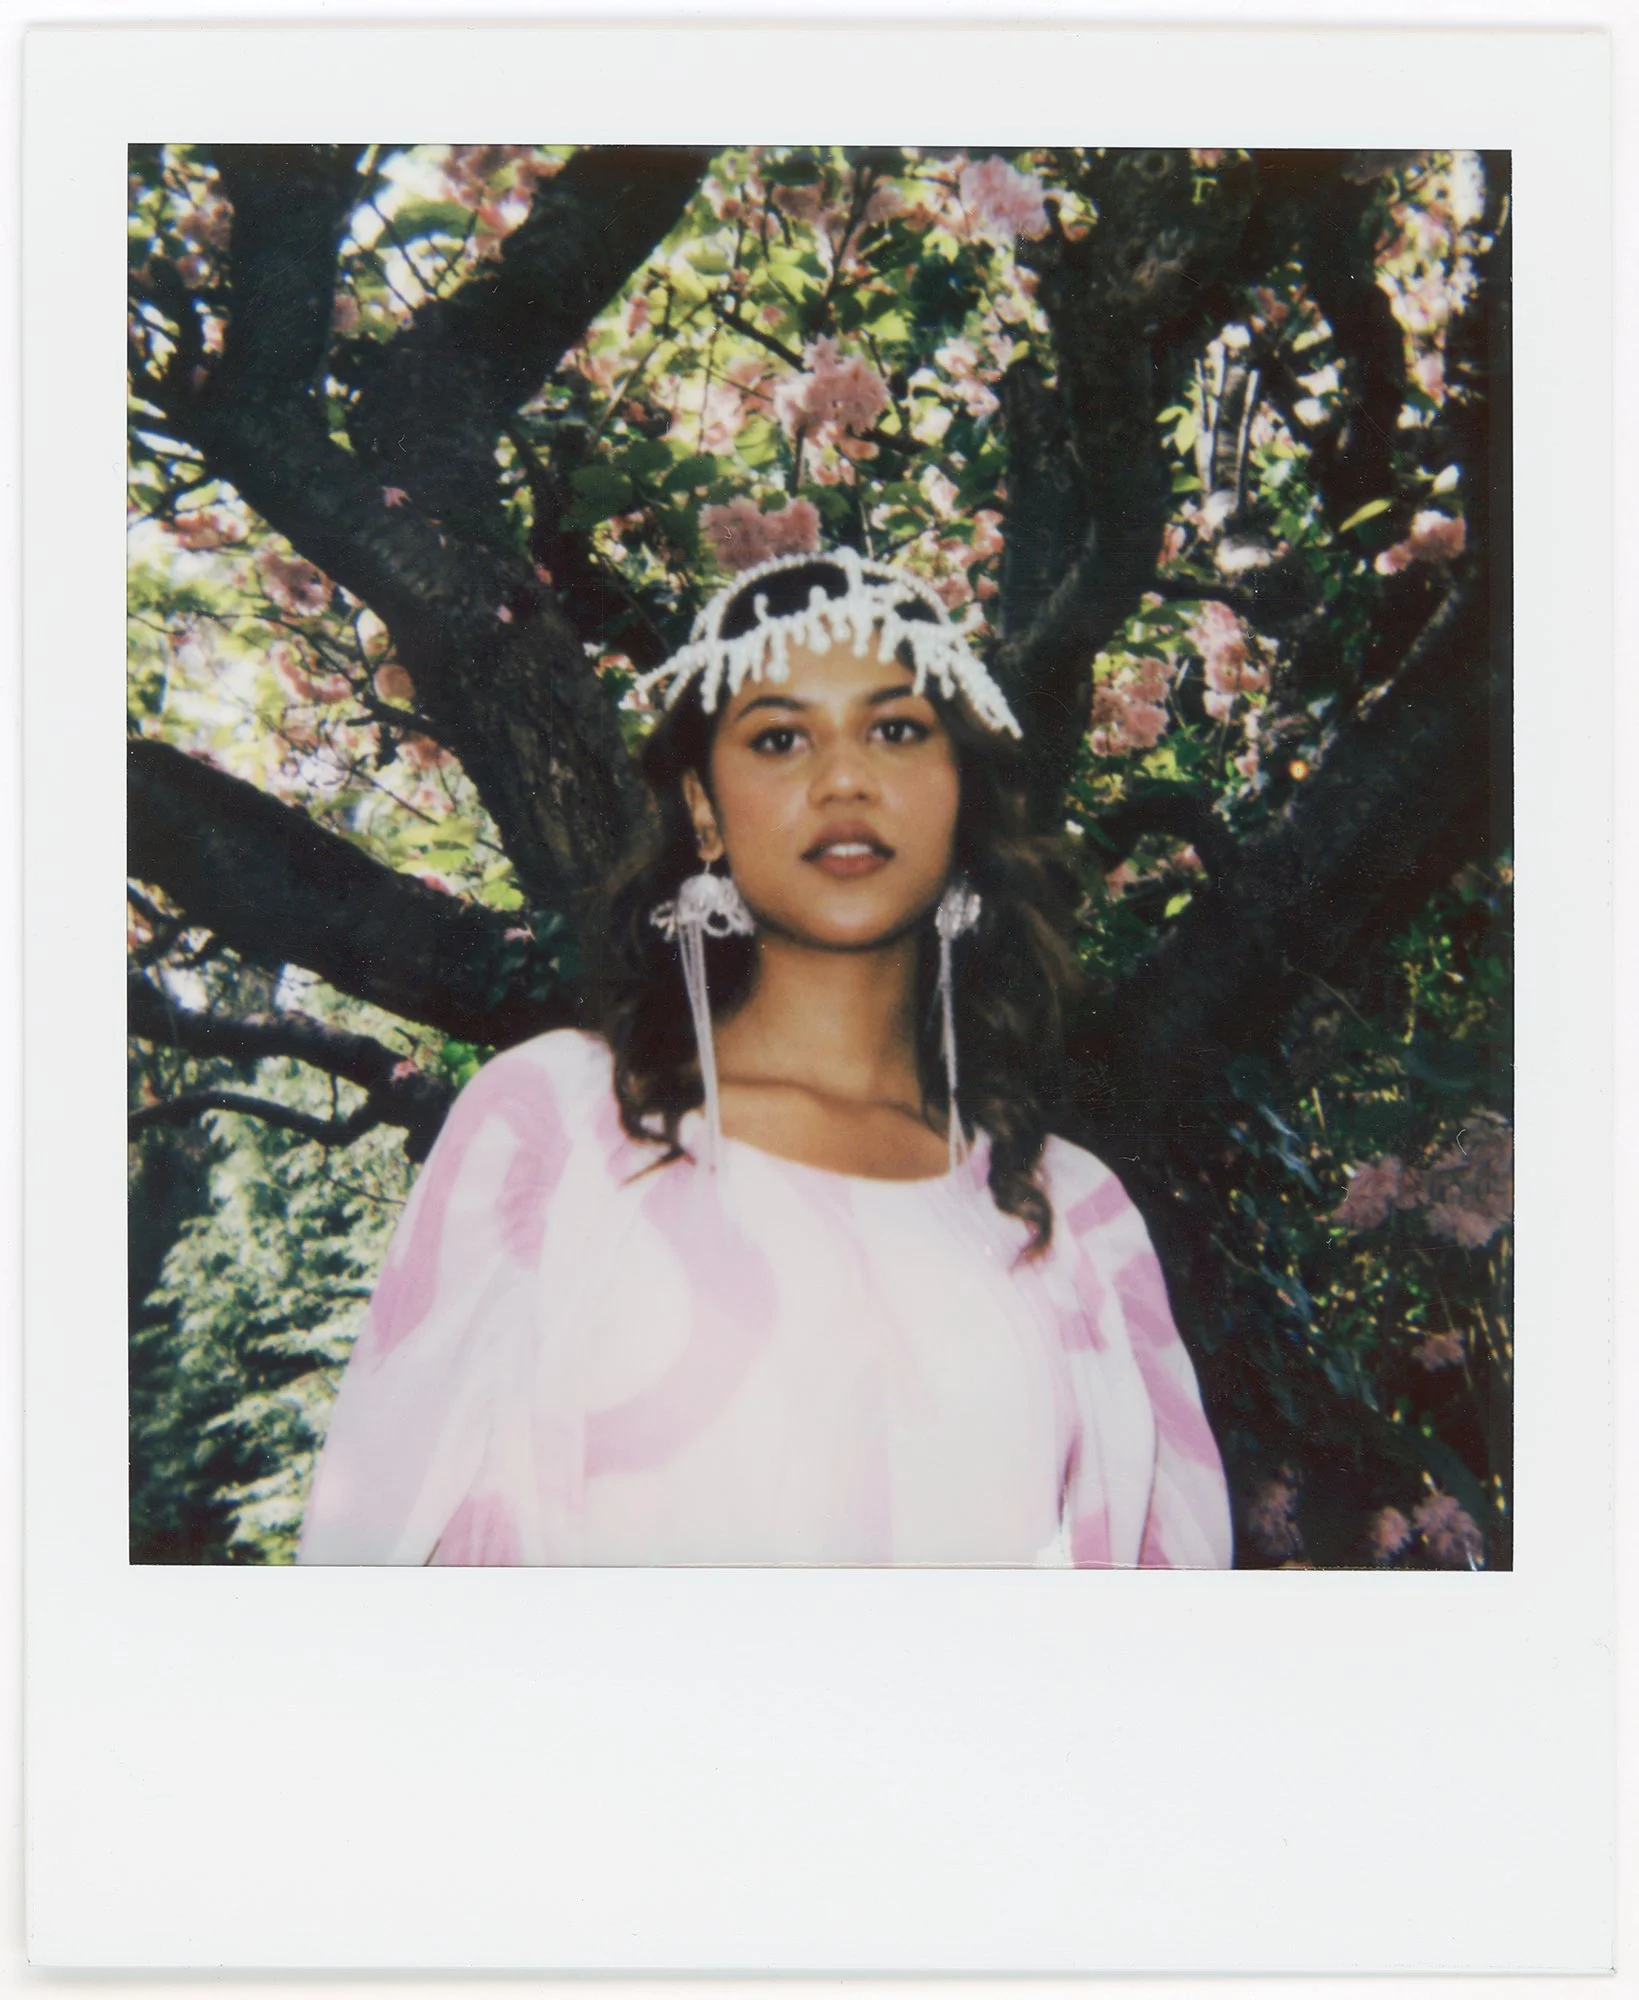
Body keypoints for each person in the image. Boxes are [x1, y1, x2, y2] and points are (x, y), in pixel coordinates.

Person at [298, 547, 1233, 1567]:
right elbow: (379, 1547)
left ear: (960, 792)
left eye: (895, 730)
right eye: (781, 738)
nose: (844, 779)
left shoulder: (1077, 1214)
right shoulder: (552, 1123)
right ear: (703, 808)